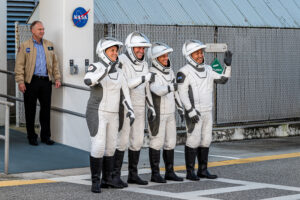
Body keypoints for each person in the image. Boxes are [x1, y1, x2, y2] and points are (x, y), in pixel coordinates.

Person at [84, 37, 135, 193]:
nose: (115, 53)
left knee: (111, 147)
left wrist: (131, 110)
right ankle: (95, 182)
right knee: (99, 146)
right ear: (103, 52)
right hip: (97, 112)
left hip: (113, 114)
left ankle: (107, 180)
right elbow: (88, 80)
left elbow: (125, 93)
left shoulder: (119, 72)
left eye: (116, 50)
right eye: (111, 50)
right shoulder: (96, 66)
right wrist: (105, 69)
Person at [177, 40, 232, 181]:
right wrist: (190, 110)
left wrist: (227, 65)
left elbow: (223, 79)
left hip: (208, 111)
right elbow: (182, 93)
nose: (200, 55)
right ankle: (190, 172)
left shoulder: (208, 68)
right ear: (189, 55)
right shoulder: (184, 72)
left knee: (206, 140)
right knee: (193, 140)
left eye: (201, 52)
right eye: (196, 53)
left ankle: (203, 170)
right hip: (195, 113)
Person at [113, 32, 156, 186]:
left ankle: (133, 174)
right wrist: (143, 78)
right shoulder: (121, 61)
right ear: (131, 48)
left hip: (139, 106)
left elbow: (146, 88)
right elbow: (123, 84)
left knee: (137, 141)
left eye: (143, 48)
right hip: (125, 106)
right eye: (138, 47)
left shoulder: (144, 64)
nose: (141, 51)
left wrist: (151, 106)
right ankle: (114, 175)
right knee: (122, 141)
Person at [15, 20, 61, 146]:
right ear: (32, 30)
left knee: (46, 110)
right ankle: (32, 136)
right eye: (39, 29)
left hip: (46, 82)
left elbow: (55, 64)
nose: (42, 31)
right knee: (30, 110)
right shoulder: (25, 46)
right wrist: (20, 81)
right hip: (31, 82)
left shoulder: (49, 45)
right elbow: (19, 65)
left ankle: (46, 136)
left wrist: (57, 78)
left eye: (43, 29)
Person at [148, 42, 184, 183]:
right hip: (157, 114)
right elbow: (155, 89)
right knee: (156, 142)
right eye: (162, 56)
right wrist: (170, 87)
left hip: (170, 113)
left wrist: (180, 108)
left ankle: (170, 172)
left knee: (171, 142)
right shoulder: (152, 73)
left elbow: (175, 92)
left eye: (166, 55)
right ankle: (155, 173)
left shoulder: (170, 71)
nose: (165, 58)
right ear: (155, 59)